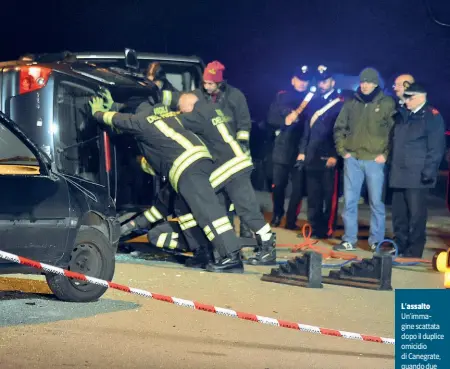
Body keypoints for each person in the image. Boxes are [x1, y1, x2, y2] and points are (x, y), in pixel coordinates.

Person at [88, 97, 245, 273]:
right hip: (197, 163)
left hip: (187, 166)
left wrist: (98, 113)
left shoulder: (141, 121)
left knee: (207, 212)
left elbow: (119, 120)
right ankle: (203, 253)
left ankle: (232, 256)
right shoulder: (164, 113)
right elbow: (157, 211)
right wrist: (116, 104)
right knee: (185, 210)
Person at [178, 93, 277, 266]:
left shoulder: (197, 114)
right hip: (232, 165)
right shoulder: (212, 109)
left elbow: (176, 124)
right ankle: (227, 249)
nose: (181, 113)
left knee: (247, 211)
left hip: (231, 168)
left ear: (187, 107)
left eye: (182, 110)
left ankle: (268, 249)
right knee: (219, 209)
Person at [333, 67, 396, 251]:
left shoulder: (387, 103)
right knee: (350, 202)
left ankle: (376, 240)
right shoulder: (352, 102)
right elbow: (339, 127)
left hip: (374, 161)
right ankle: (349, 239)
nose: (365, 85)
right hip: (352, 159)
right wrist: (342, 150)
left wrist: (385, 154)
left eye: (369, 82)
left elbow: (394, 131)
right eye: (363, 82)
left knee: (376, 203)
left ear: (376, 83)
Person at [194, 60, 254, 238]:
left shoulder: (236, 97)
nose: (207, 87)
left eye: (210, 83)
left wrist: (240, 147)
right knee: (220, 197)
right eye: (205, 83)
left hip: (237, 154)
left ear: (219, 83)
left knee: (240, 197)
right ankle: (226, 232)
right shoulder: (201, 96)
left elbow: (244, 124)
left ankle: (245, 231)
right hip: (215, 155)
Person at [389, 83, 445, 258]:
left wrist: (429, 172)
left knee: (416, 215)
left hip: (417, 174)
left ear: (422, 97)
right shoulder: (402, 115)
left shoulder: (431, 116)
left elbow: (436, 147)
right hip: (399, 172)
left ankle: (414, 249)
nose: (406, 101)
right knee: (399, 214)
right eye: (405, 97)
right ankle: (400, 244)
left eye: (409, 97)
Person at [295, 66, 343, 238]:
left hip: (328, 156)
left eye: (325, 80)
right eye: (320, 81)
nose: (322, 84)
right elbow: (307, 130)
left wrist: (334, 154)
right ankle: (314, 227)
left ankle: (327, 228)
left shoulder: (340, 104)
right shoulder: (313, 102)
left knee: (328, 196)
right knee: (313, 195)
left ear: (333, 82)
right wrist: (302, 151)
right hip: (312, 154)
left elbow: (340, 132)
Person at [266, 66, 315, 229]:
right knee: (278, 186)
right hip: (282, 148)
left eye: (306, 80)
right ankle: (277, 214)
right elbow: (271, 119)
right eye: (300, 79)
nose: (302, 83)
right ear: (293, 80)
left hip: (300, 150)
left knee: (298, 189)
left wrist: (303, 150)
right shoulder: (281, 97)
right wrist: (285, 119)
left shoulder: (312, 100)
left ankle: (291, 219)